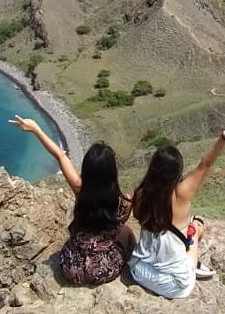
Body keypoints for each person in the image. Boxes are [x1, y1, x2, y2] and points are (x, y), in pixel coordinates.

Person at [9, 115, 136, 285]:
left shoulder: (79, 188)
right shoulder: (124, 203)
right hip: (103, 270)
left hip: (71, 266)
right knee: (126, 231)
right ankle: (135, 266)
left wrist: (36, 129)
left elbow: (60, 156)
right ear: (112, 171)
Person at [129, 128, 225, 299]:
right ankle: (193, 265)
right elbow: (205, 165)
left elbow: (137, 216)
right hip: (174, 284)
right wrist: (223, 139)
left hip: (139, 271)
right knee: (195, 226)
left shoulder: (141, 194)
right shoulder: (181, 194)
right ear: (177, 172)